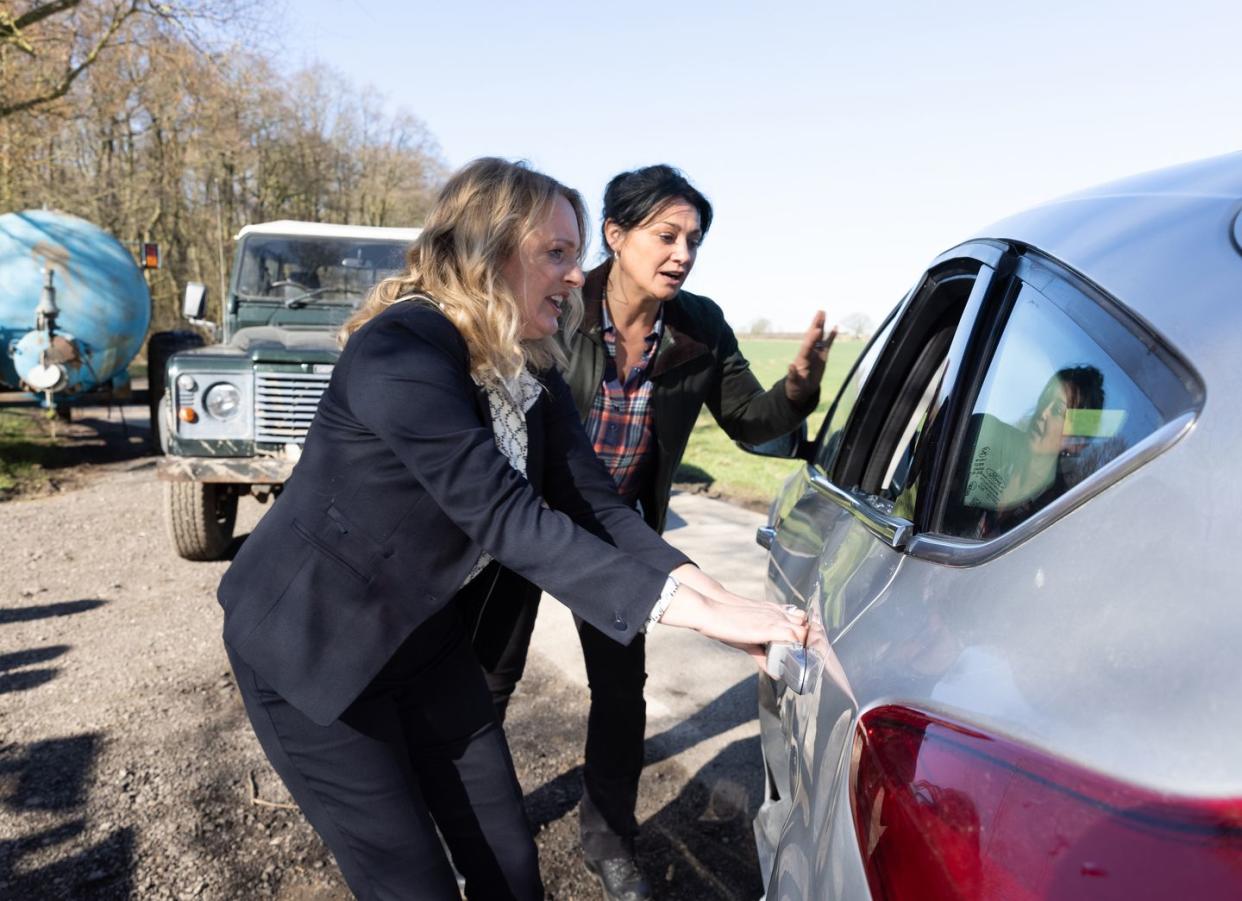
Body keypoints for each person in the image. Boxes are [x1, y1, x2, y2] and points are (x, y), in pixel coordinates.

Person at [216, 158, 808, 901]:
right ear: (487, 251)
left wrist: (722, 602)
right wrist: (696, 616)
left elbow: (597, 505)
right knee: (413, 883)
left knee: (510, 867)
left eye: (576, 251)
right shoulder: (402, 350)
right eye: (556, 253)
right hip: (313, 647)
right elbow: (503, 512)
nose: (575, 274)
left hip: (423, 642)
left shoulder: (530, 366)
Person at [469, 164, 832, 901]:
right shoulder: (561, 303)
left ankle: (610, 842)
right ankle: (470, 825)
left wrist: (798, 387)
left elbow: (752, 422)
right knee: (486, 685)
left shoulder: (699, 325)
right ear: (616, 234)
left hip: (614, 534)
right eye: (666, 235)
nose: (683, 253)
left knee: (620, 693)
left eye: (694, 240)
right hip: (525, 521)